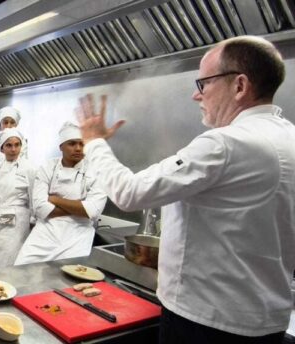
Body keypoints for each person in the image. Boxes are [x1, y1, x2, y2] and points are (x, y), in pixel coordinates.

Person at [76, 36, 294, 343]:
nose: (196, 95)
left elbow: (130, 193)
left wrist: (94, 142)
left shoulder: (225, 143)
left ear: (240, 86)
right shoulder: (289, 137)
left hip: (205, 322)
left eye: (204, 83)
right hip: (267, 323)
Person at [14, 122, 107, 264]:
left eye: (82, 144)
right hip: (46, 231)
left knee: (69, 279)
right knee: (22, 268)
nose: (78, 148)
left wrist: (55, 200)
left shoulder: (96, 170)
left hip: (78, 234)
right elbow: (39, 208)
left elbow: (93, 211)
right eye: (72, 144)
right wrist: (80, 208)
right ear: (61, 147)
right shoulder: (48, 167)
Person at [0, 129, 35, 268]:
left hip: (16, 223)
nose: (13, 149)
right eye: (9, 145)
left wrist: (33, 223)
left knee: (9, 257)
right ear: (2, 148)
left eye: (17, 145)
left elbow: (34, 199)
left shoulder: (29, 169)